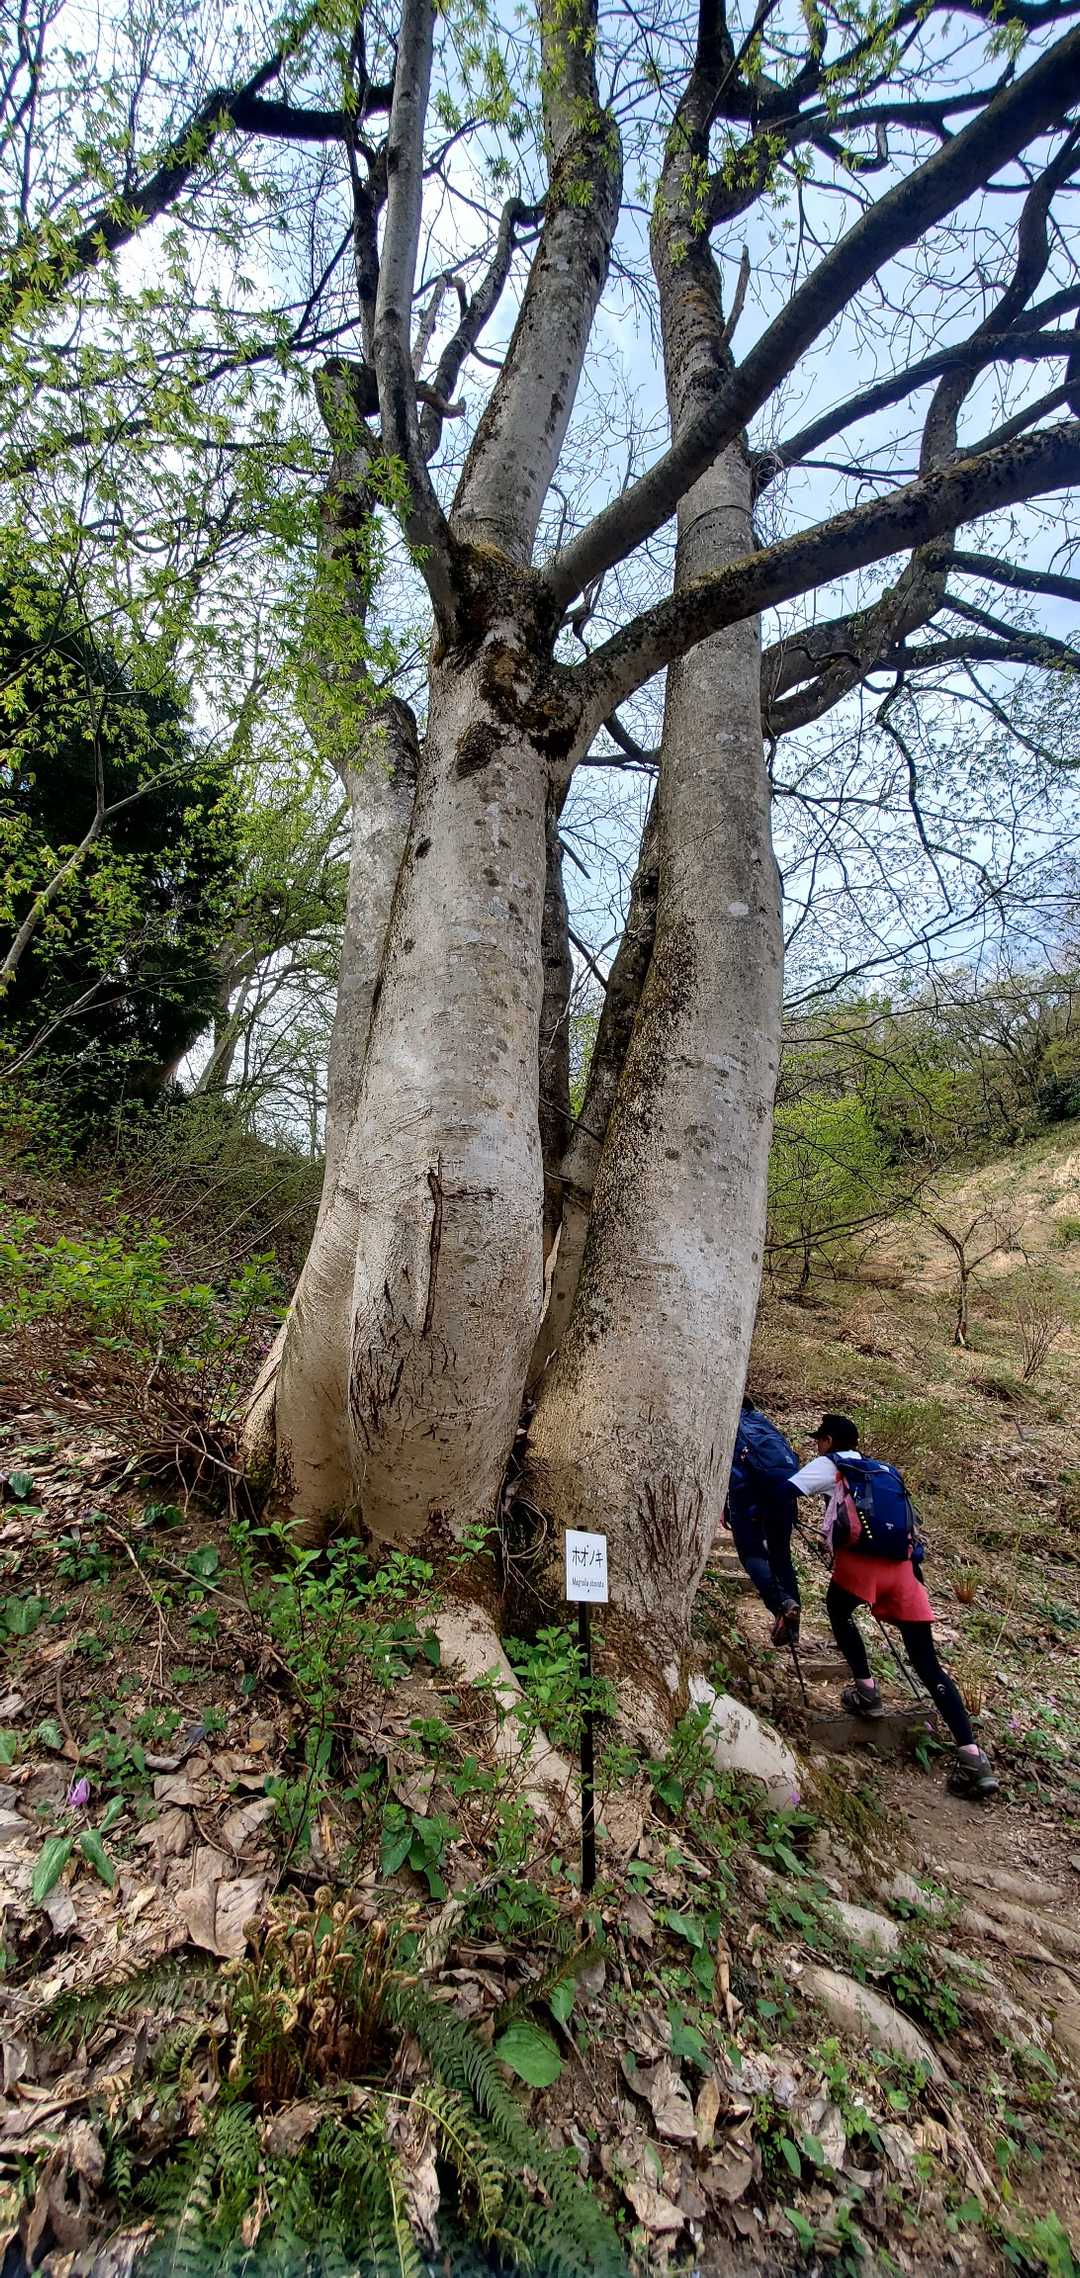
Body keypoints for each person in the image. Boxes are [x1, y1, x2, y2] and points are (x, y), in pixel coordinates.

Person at [788, 1412, 998, 1801]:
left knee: (839, 1612)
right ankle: (972, 1756)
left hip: (859, 1568)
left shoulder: (831, 1465)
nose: (817, 1445)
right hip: (904, 1572)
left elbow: (786, 1490)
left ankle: (866, 1690)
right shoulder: (885, 1471)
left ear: (828, 1441)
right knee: (927, 1663)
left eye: (820, 1440)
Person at [725, 1396, 802, 1647]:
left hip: (749, 1495)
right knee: (781, 1557)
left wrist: (727, 1504)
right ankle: (792, 1628)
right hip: (784, 1494)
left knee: (751, 1553)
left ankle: (782, 1603)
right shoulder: (764, 1423)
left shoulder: (730, 1423)